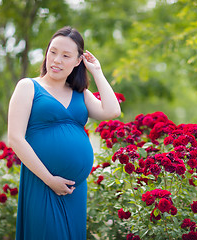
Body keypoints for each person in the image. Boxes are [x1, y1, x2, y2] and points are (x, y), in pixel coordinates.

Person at [7, 26, 121, 240]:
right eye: (53, 51)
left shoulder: (80, 94)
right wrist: (50, 179)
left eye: (66, 55)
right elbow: (15, 138)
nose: (57, 60)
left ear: (78, 61)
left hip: (74, 191)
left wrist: (97, 71)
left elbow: (113, 111)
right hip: (42, 183)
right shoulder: (28, 87)